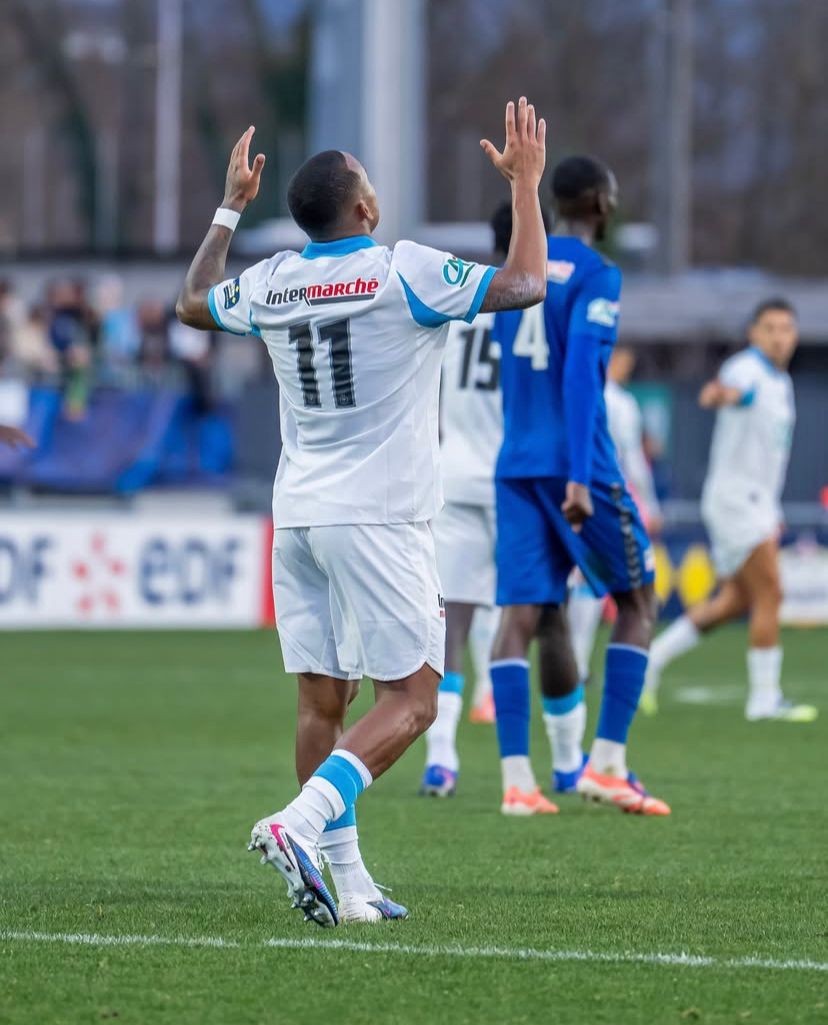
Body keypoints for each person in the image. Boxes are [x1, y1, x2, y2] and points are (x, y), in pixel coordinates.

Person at [176, 99, 548, 926]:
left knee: (322, 702)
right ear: (367, 209)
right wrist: (526, 185)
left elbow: (192, 301)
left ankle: (350, 889)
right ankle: (298, 822)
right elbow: (525, 284)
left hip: (298, 515)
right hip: (378, 516)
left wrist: (229, 206)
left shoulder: (272, 279)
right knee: (413, 699)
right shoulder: (401, 271)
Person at [489, 155, 670, 817]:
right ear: (599, 201)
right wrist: (578, 477)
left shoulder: (519, 266)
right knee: (640, 599)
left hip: (515, 462)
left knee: (521, 616)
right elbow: (579, 378)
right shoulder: (598, 274)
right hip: (578, 465)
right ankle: (609, 764)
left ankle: (517, 782)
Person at [421, 201, 554, 799]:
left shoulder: (462, 301)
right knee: (539, 616)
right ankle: (562, 759)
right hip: (518, 478)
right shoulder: (540, 304)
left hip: (455, 474)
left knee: (452, 623)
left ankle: (441, 760)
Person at [642, 300, 817, 723]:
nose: (779, 337)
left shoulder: (780, 380)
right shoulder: (746, 369)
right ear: (753, 333)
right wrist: (720, 394)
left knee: (736, 600)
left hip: (755, 502)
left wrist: (772, 509)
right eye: (770, 328)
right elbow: (728, 390)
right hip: (738, 501)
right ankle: (764, 700)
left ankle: (650, 660)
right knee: (771, 592)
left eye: (786, 329)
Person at [568, 345, 662, 682]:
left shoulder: (567, 387)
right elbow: (633, 460)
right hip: (601, 494)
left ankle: (573, 661)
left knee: (574, 578)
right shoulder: (621, 402)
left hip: (560, 488)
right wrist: (650, 504)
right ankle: (577, 662)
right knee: (603, 579)